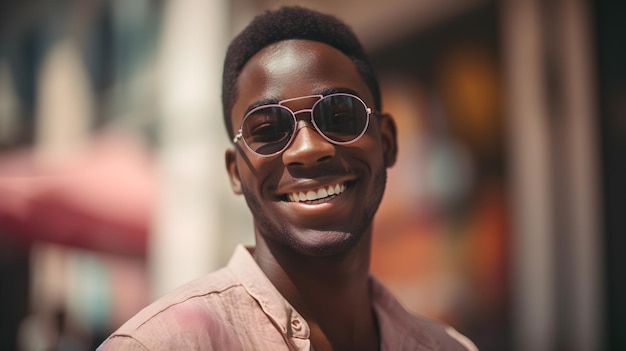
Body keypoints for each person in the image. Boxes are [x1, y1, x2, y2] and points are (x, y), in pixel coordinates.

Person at [98, 6, 478, 351]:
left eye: (341, 116)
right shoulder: (162, 344)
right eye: (267, 130)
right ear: (235, 172)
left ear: (388, 142)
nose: (308, 149)